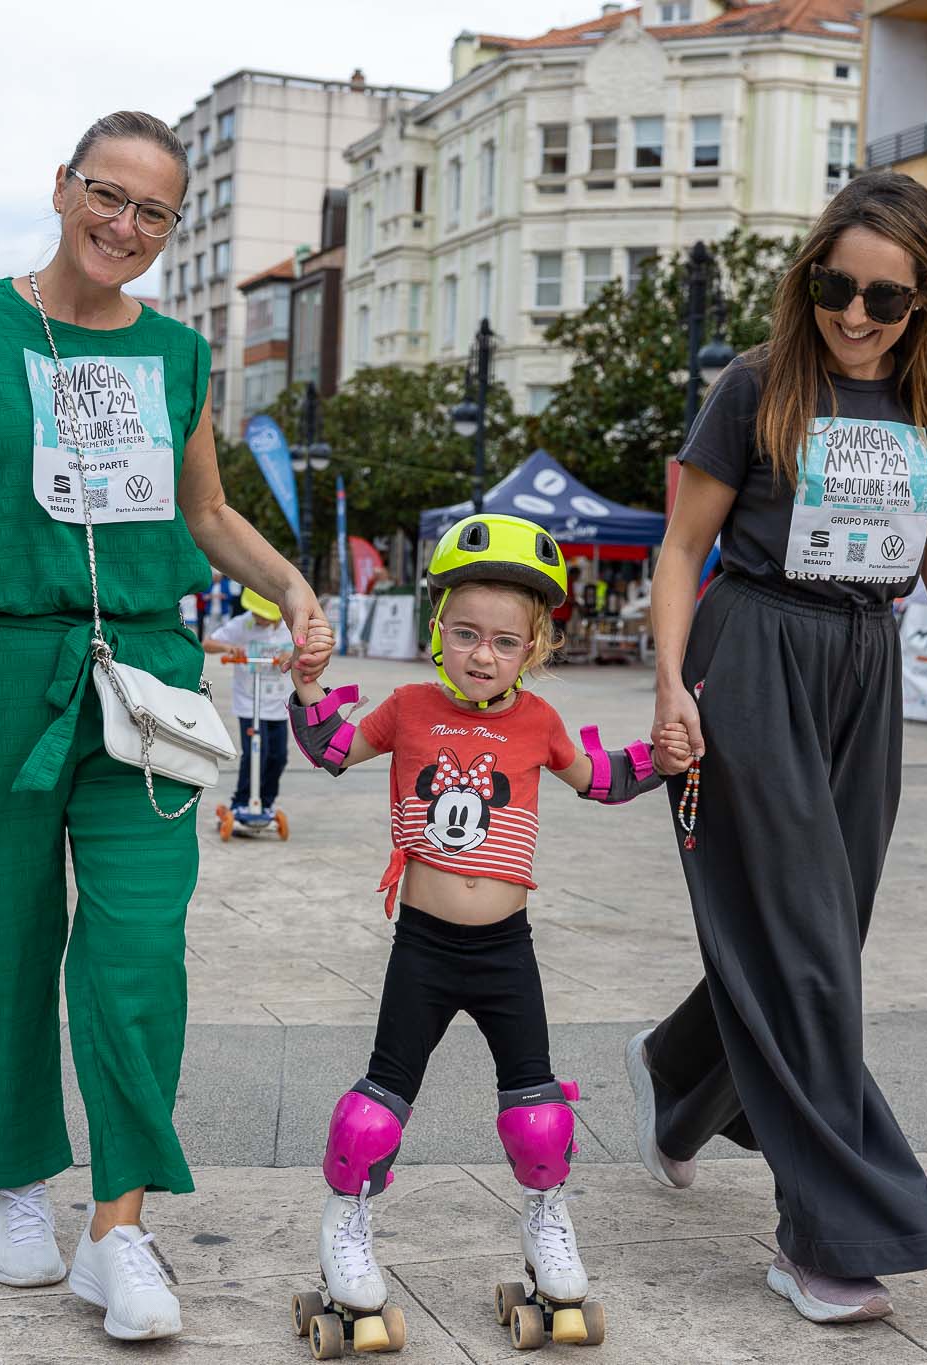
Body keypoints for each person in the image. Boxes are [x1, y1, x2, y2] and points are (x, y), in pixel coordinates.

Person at [0, 110, 334, 1345]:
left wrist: (289, 584)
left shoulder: (177, 353)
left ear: (175, 230)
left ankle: (117, 1228)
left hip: (148, 687)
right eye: (104, 196)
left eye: (153, 213)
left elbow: (207, 508)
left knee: (134, 956)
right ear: (61, 188)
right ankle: (19, 1184)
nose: (123, 226)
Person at [629, 171, 927, 1326]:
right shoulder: (754, 387)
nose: (855, 314)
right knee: (807, 952)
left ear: (924, 302)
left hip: (863, 669)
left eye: (883, 296)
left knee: (817, 935)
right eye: (835, 285)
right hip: (754, 654)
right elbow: (681, 552)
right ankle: (828, 1236)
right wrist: (672, 686)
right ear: (808, 274)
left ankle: (681, 1082)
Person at [288, 514, 678, 1342]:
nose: (481, 654)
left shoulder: (537, 721)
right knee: (376, 1111)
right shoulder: (408, 705)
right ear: (439, 631)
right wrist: (311, 683)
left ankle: (546, 1227)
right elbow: (329, 749)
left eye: (504, 641)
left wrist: (664, 756)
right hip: (424, 949)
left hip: (508, 951)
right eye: (465, 633)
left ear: (533, 649)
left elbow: (597, 781)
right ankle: (345, 1230)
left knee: (539, 1113)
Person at [201, 587, 295, 821]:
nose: (256, 616)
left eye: (261, 614)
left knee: (278, 756)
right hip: (249, 702)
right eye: (254, 612)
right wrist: (228, 648)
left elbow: (307, 651)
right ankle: (242, 802)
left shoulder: (290, 627)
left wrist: (292, 656)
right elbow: (208, 643)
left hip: (278, 703)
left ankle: (266, 802)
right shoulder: (243, 624)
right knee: (255, 754)